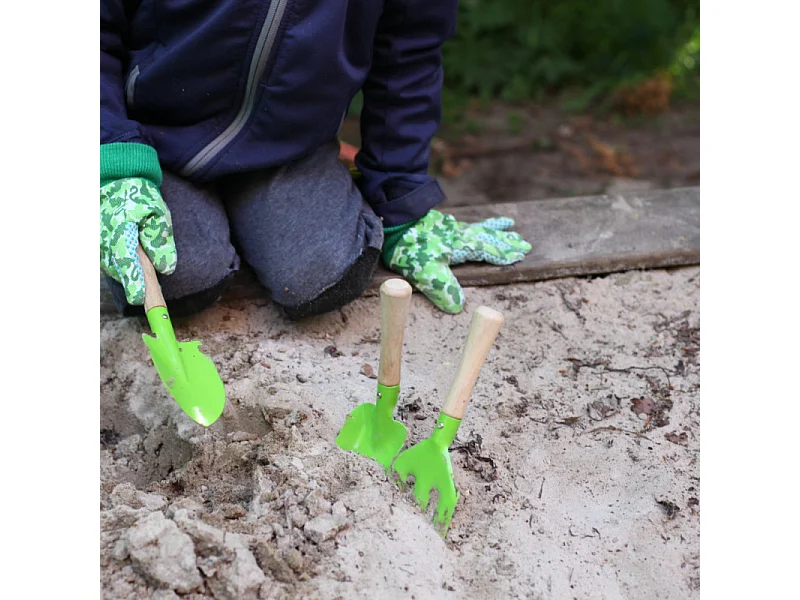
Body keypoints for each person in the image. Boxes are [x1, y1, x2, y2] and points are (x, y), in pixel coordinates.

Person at [100, 0, 532, 319]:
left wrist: (400, 196)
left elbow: (409, 56)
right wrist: (109, 157)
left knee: (322, 274)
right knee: (175, 277)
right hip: (148, 139)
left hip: (288, 147)